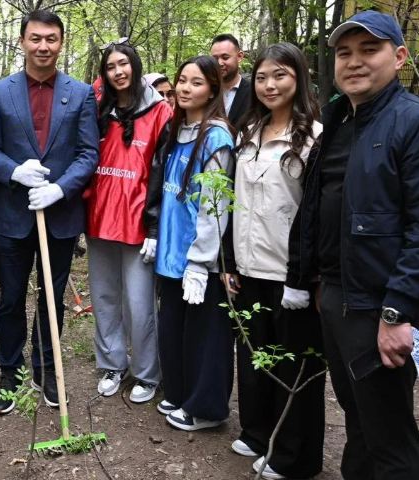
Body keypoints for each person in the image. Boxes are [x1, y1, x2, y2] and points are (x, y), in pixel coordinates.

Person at [290, 11, 419, 479]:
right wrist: (314, 281)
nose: (354, 62)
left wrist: (397, 312)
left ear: (400, 56)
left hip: (378, 305)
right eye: (345, 52)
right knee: (357, 415)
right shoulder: (340, 121)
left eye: (370, 50)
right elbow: (318, 209)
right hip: (337, 296)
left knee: (388, 432)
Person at [0, 9, 99, 414]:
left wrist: (60, 189)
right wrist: (14, 171)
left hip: (60, 215)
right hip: (15, 215)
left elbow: (88, 153)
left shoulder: (81, 93)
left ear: (61, 42)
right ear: (22, 41)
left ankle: (47, 369)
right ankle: (10, 372)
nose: (43, 46)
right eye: (36, 38)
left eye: (51, 38)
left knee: (52, 298)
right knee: (12, 298)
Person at [222, 42, 325, 479]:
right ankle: (258, 431)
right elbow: (229, 201)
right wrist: (226, 261)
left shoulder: (316, 137)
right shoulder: (247, 131)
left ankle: (294, 456)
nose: (269, 85)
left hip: (291, 273)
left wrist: (305, 278)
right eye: (262, 77)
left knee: (293, 363)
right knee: (251, 355)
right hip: (247, 266)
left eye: (280, 75)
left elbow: (317, 212)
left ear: (298, 77)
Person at [87, 41, 172, 403]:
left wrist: (154, 226)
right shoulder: (97, 109)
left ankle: (147, 373)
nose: (118, 71)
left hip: (138, 223)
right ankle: (111, 364)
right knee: (105, 298)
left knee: (139, 304)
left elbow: (162, 171)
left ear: (135, 66)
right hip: (99, 219)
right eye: (111, 66)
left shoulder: (160, 111)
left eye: (124, 64)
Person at [154, 55, 235, 431]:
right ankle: (179, 392)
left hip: (198, 259)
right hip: (170, 254)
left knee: (205, 336)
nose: (185, 88)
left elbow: (214, 205)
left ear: (213, 89)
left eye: (196, 82)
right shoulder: (177, 130)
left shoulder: (216, 137)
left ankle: (205, 408)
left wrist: (201, 261)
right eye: (182, 80)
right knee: (174, 328)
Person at [210, 33, 251, 127]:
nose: (219, 63)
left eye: (225, 58)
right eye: (215, 58)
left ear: (239, 56)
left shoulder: (253, 92)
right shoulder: (207, 92)